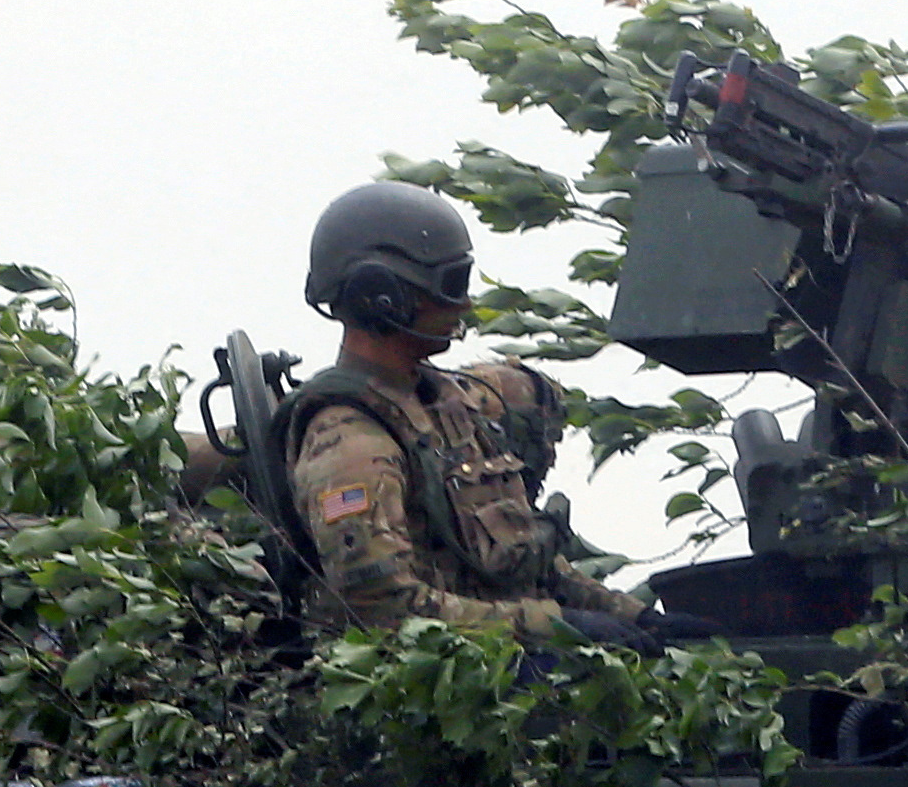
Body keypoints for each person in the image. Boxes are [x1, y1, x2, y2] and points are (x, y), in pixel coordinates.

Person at [278, 181, 657, 642]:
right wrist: (556, 625)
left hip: (499, 654)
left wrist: (635, 617)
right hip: (434, 687)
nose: (465, 303)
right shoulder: (351, 444)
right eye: (451, 285)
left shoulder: (443, 405)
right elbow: (384, 612)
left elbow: (524, 567)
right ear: (382, 295)